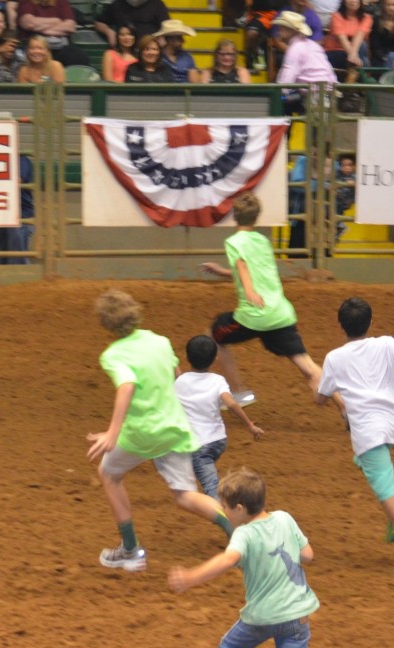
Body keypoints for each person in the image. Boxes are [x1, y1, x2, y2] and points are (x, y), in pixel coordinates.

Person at [87, 289, 235, 572]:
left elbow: (127, 386)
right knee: (185, 495)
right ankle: (238, 533)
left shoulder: (113, 355)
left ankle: (130, 550)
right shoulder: (160, 341)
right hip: (175, 429)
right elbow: (177, 374)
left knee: (109, 473)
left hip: (141, 433)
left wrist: (112, 433)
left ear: (107, 323)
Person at [315, 297, 394, 578]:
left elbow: (320, 397)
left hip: (368, 430)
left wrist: (320, 392)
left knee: (386, 489)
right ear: (370, 322)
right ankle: (393, 518)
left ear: (340, 325)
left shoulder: (334, 358)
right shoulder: (387, 343)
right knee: (368, 461)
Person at [168, 468, 320, 648]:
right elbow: (308, 555)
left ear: (239, 509)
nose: (223, 512)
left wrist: (191, 577)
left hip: (264, 615)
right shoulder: (285, 518)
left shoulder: (244, 533)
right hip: (298, 613)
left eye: (225, 508)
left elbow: (228, 559)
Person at [201, 191, 323, 405]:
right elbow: (252, 270)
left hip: (254, 314)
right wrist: (222, 271)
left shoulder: (234, 242)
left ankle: (239, 392)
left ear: (235, 216)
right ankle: (344, 404)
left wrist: (249, 291)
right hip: (281, 313)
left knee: (213, 334)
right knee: (307, 366)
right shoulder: (263, 242)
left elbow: (242, 266)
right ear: (256, 217)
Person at [175, 336, 265, 500]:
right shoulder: (218, 381)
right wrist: (249, 425)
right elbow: (231, 404)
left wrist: (174, 367)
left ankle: (227, 516)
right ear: (215, 359)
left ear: (187, 357)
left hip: (197, 446)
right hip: (217, 442)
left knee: (211, 487)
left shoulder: (180, 382)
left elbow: (181, 381)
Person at [274, 11, 337, 114]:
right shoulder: (314, 45)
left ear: (290, 30)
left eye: (282, 28)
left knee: (280, 100)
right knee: (289, 97)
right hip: (328, 96)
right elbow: (330, 72)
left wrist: (276, 95)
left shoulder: (295, 49)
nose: (279, 31)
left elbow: (285, 81)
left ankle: (284, 130)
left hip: (310, 98)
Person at [16, 0, 90, 66]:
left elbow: (70, 27)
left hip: (60, 46)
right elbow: (28, 23)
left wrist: (41, 30)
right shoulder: (26, 2)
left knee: (78, 56)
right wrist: (56, 21)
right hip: (34, 45)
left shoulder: (61, 2)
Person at [0, 155, 33, 264]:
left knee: (15, 230)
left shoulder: (21, 160)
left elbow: (17, 180)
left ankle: (21, 271)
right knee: (0, 259)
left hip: (20, 214)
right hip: (0, 213)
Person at [323, 0, 372, 83]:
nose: (353, 1)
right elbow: (342, 38)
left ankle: (350, 80)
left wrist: (353, 55)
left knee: (362, 47)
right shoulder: (336, 16)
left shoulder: (367, 18)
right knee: (364, 61)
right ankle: (351, 84)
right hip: (335, 52)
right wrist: (353, 56)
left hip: (355, 54)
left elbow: (360, 36)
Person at [93, 0, 169, 49]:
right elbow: (99, 22)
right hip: (123, 50)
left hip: (148, 50)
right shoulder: (117, 4)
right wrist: (108, 32)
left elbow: (167, 25)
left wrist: (162, 36)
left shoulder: (157, 4)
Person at [153, 19, 199, 83]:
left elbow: (194, 82)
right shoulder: (157, 56)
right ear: (170, 40)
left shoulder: (187, 57)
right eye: (180, 38)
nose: (183, 41)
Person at [368, 0, 394, 68]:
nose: (391, 7)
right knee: (391, 56)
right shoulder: (376, 20)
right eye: (388, 5)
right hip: (380, 59)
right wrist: (385, 58)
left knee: (393, 56)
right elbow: (375, 46)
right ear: (383, 6)